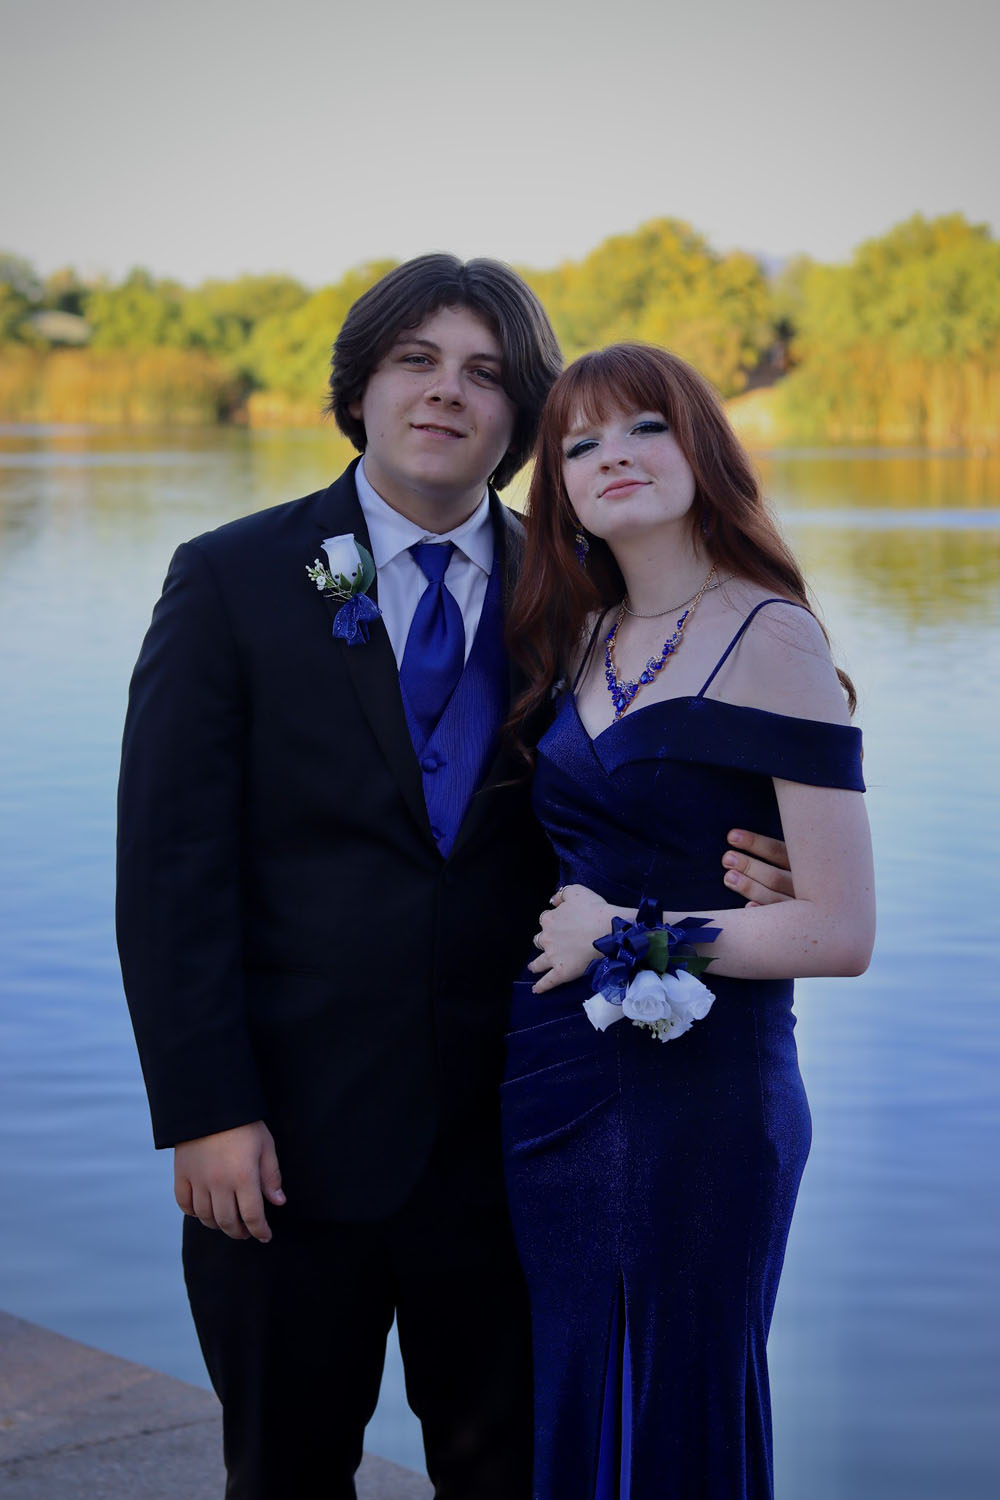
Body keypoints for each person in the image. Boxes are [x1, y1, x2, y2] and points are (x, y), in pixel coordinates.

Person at [117, 261, 796, 1500]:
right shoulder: (230, 578)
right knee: (283, 1472)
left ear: (520, 415)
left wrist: (753, 846)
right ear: (361, 387)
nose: (447, 394)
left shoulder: (579, 591)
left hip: (526, 1134)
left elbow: (668, 765)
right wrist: (205, 1110)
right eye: (416, 361)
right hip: (285, 1150)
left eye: (485, 373)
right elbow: (168, 871)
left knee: (508, 1475)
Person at [501, 343, 875, 1500]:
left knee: (677, 1404)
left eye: (643, 427)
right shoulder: (579, 640)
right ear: (556, 490)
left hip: (705, 1101)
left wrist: (631, 931)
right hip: (554, 1090)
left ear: (700, 445)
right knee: (572, 1392)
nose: (614, 457)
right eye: (580, 445)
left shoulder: (772, 638)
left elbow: (840, 930)